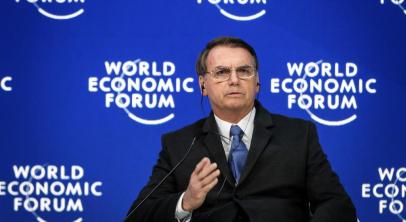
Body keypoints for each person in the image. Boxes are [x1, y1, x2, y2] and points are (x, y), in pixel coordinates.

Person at [126, 37, 357, 222]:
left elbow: (336, 204)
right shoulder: (179, 144)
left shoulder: (298, 135)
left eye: (244, 71)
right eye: (222, 72)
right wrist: (186, 201)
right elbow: (138, 215)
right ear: (203, 84)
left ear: (257, 82)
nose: (234, 80)